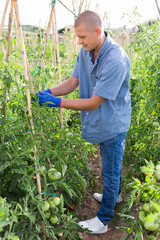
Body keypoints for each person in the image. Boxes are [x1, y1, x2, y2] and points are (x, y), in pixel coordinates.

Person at [35, 10, 131, 234]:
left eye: (82, 37)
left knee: (110, 169)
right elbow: (73, 81)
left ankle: (103, 220)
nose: (79, 41)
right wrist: (48, 92)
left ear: (98, 32)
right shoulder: (87, 50)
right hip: (101, 121)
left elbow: (94, 102)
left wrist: (58, 102)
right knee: (109, 164)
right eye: (77, 37)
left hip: (113, 123)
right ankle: (113, 195)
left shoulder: (115, 59)